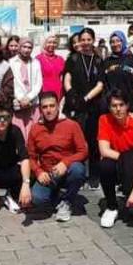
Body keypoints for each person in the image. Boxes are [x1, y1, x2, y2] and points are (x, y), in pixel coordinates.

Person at [26, 92, 87, 222]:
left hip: (68, 170)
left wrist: (65, 163)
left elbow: (83, 151)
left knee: (78, 170)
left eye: (52, 106)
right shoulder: (35, 129)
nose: (49, 110)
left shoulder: (71, 125)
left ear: (58, 106)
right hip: (48, 174)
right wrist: (38, 172)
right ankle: (56, 196)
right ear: (40, 109)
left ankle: (67, 201)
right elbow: (30, 157)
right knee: (37, 199)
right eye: (45, 107)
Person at [95, 90, 133, 228]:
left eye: (121, 105)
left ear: (127, 106)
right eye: (114, 106)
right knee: (105, 165)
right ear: (109, 107)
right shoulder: (104, 120)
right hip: (118, 162)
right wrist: (124, 159)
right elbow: (104, 150)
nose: (118, 109)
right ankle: (112, 207)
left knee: (132, 156)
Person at [63, 28, 104, 183]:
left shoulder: (98, 60)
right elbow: (67, 79)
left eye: (88, 39)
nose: (86, 43)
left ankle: (94, 175)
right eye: (83, 40)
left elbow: (100, 84)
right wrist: (72, 95)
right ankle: (77, 175)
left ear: (93, 40)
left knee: (93, 141)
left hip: (93, 105)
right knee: (76, 142)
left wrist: (86, 98)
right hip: (76, 106)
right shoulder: (73, 59)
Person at [101, 31, 133, 119]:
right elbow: (103, 85)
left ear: (123, 41)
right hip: (111, 109)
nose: (115, 44)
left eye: (118, 41)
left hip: (131, 109)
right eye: (112, 42)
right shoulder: (106, 62)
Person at [8, 38, 42, 133]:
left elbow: (38, 83)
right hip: (18, 103)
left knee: (33, 131)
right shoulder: (11, 62)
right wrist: (21, 99)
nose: (26, 50)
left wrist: (29, 98)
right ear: (19, 47)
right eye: (24, 47)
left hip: (32, 103)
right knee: (19, 132)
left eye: (29, 47)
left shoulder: (36, 63)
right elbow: (11, 83)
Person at [36, 36, 66, 103]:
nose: (52, 44)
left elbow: (63, 76)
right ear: (44, 43)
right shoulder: (38, 59)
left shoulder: (60, 59)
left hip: (59, 90)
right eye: (49, 42)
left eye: (54, 42)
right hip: (44, 90)